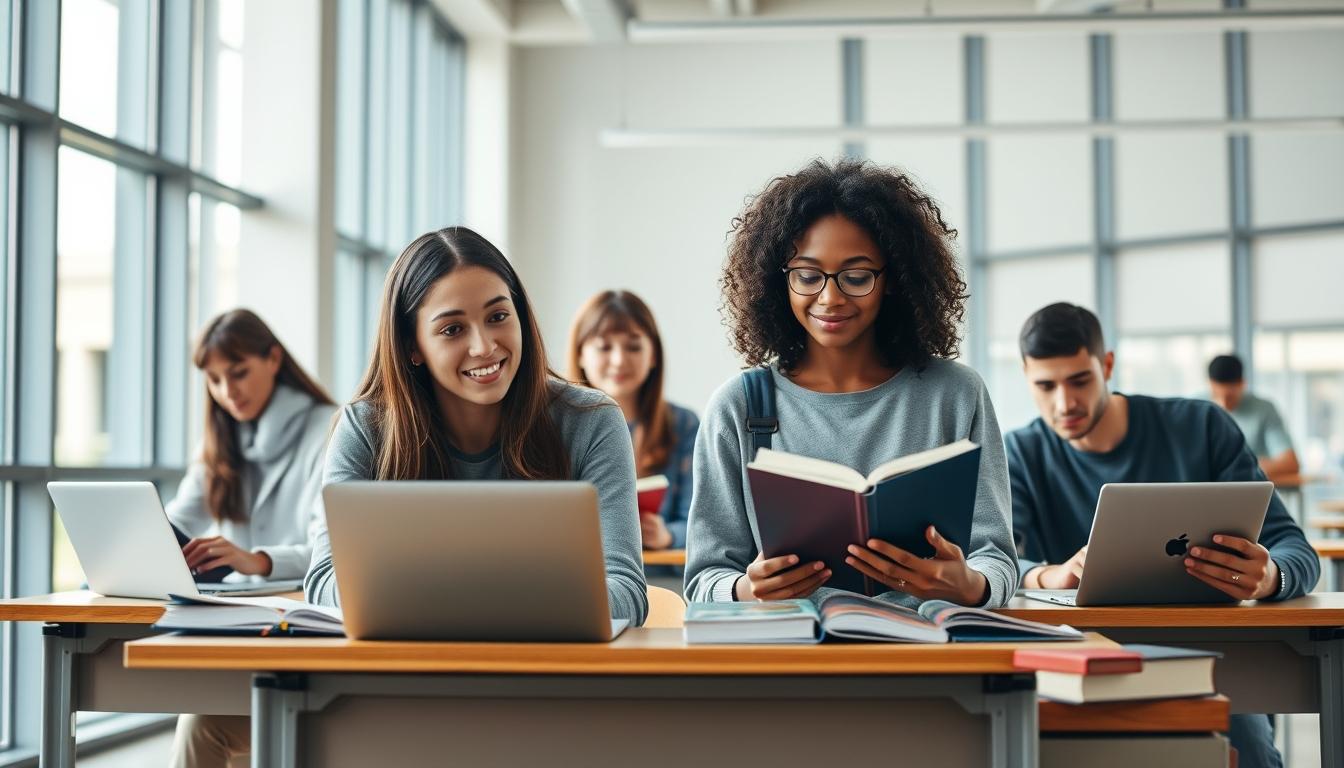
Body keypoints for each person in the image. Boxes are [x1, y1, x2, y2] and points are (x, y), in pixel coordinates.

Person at [684, 158, 1018, 609]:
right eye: (807, 275)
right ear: (777, 280)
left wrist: (971, 586)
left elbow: (996, 557)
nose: (830, 297)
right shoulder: (737, 407)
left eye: (857, 277)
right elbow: (705, 577)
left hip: (924, 658)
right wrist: (745, 589)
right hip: (790, 658)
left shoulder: (956, 395)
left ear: (894, 280)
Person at [1008, 302, 1319, 768]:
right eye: (1045, 386)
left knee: (1248, 748)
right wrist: (1047, 575)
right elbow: (993, 562)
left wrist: (1270, 576)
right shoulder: (1021, 452)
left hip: (1213, 655)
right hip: (1077, 663)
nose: (1064, 404)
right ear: (1026, 377)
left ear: (1107, 364)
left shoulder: (1202, 427)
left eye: (1079, 380)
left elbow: (1298, 551)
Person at [303, 226, 647, 627]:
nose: (484, 346)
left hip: (550, 674)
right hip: (410, 674)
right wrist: (504, 596)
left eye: (498, 316)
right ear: (412, 346)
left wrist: (442, 594)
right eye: (452, 329)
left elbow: (625, 591)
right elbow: (325, 583)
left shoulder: (591, 420)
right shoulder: (365, 427)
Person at [167, 309, 338, 768]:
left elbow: (332, 554)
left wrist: (256, 560)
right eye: (215, 380)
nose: (229, 392)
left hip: (308, 627)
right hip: (237, 628)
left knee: (203, 723)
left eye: (238, 373)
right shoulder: (220, 441)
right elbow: (177, 518)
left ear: (274, 359)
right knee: (199, 720)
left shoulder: (332, 429)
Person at [567, 290, 698, 557]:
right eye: (604, 347)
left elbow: (702, 523)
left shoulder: (682, 424)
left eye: (633, 347)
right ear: (580, 353)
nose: (619, 360)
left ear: (653, 355)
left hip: (663, 580)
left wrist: (666, 535)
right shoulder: (558, 424)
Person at [1208, 354, 1300, 483]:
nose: (1223, 404)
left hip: (1249, 492)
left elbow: (1290, 462)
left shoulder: (1264, 410)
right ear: (1210, 385)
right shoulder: (1195, 408)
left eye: (1229, 397)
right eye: (1216, 395)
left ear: (1242, 384)